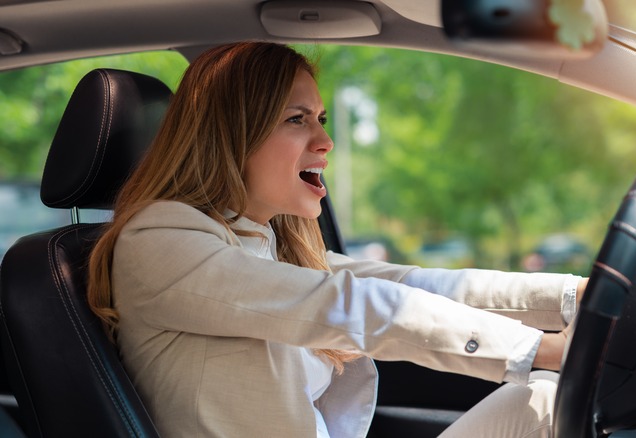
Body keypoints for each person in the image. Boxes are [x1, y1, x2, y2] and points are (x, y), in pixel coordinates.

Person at [87, 42, 586, 438]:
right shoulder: (161, 242)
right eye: (296, 119)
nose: (325, 141)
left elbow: (418, 284)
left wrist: (575, 296)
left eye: (321, 119)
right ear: (232, 135)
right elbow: (349, 306)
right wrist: (539, 350)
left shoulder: (265, 244)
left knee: (546, 402)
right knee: (549, 399)